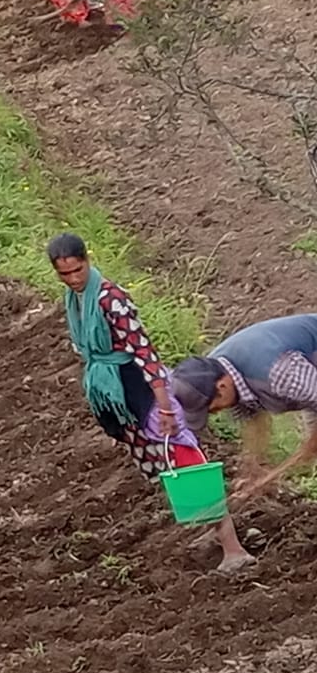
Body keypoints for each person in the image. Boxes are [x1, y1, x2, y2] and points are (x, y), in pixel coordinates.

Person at [47, 235, 253, 572]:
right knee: (166, 470)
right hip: (122, 398)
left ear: (88, 260)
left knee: (188, 466)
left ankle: (234, 548)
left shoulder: (111, 300)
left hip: (147, 397)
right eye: (64, 274)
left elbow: (145, 355)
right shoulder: (75, 299)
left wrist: (167, 409)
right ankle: (213, 533)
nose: (73, 278)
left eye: (77, 270)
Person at [170, 315, 317, 500]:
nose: (214, 413)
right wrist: (252, 469)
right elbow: (253, 421)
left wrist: (286, 466)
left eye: (210, 408)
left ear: (222, 387)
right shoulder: (214, 372)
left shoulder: (279, 374)